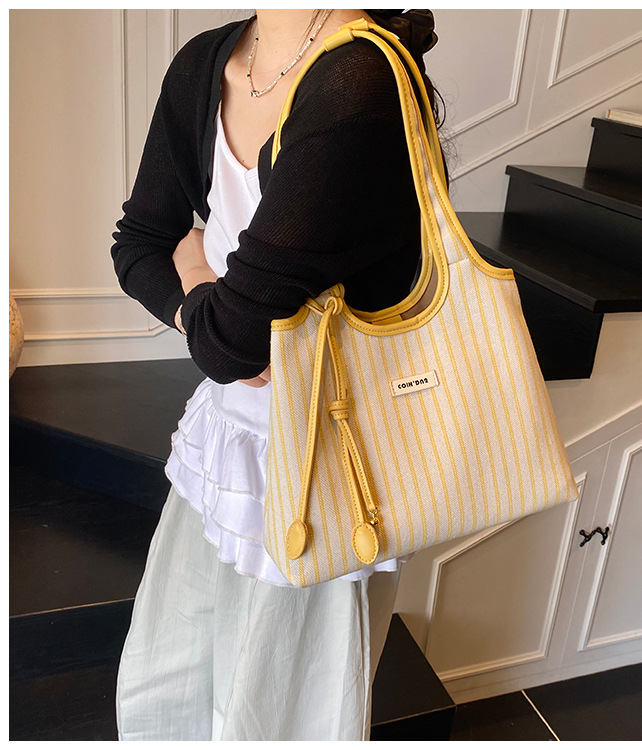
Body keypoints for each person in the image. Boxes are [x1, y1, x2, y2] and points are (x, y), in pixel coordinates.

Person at [111, 8, 448, 741]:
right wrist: (202, 299)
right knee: (174, 686)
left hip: (327, 469)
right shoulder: (206, 61)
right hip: (227, 447)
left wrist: (194, 260)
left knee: (279, 720)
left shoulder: (359, 79)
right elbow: (138, 242)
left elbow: (234, 341)